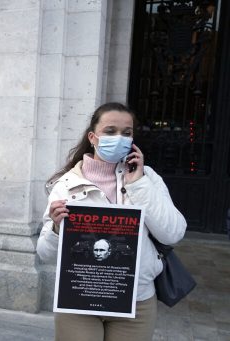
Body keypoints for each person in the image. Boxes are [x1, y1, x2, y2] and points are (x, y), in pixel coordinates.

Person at [37, 102, 187, 341]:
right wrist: (56, 228)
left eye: (126, 133)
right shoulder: (65, 185)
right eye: (110, 131)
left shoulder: (147, 178)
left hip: (136, 300)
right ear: (93, 137)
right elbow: (45, 254)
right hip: (80, 298)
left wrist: (138, 185)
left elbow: (173, 233)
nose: (119, 138)